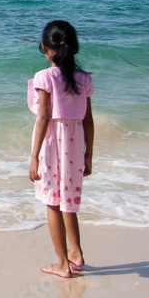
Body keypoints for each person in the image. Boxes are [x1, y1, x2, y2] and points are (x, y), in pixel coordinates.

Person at [27, 20, 94, 278]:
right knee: (69, 200)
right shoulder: (84, 79)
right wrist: (89, 154)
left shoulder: (45, 77)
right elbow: (88, 119)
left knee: (52, 203)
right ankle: (75, 253)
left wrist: (34, 158)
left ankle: (62, 264)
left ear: (44, 47)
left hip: (53, 144)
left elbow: (44, 118)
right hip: (76, 145)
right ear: (74, 48)